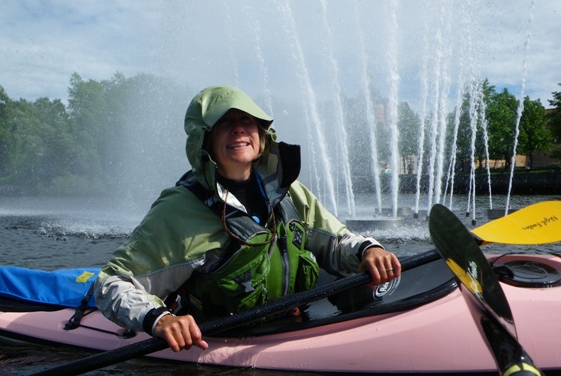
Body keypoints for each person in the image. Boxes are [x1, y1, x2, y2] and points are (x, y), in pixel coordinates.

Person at [95, 85, 402, 353]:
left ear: (261, 134)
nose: (239, 129)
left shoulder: (288, 191)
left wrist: (368, 250)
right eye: (225, 123)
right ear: (206, 140)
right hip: (220, 340)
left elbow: (335, 241)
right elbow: (112, 283)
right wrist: (159, 319)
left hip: (290, 325)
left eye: (247, 121)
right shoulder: (178, 210)